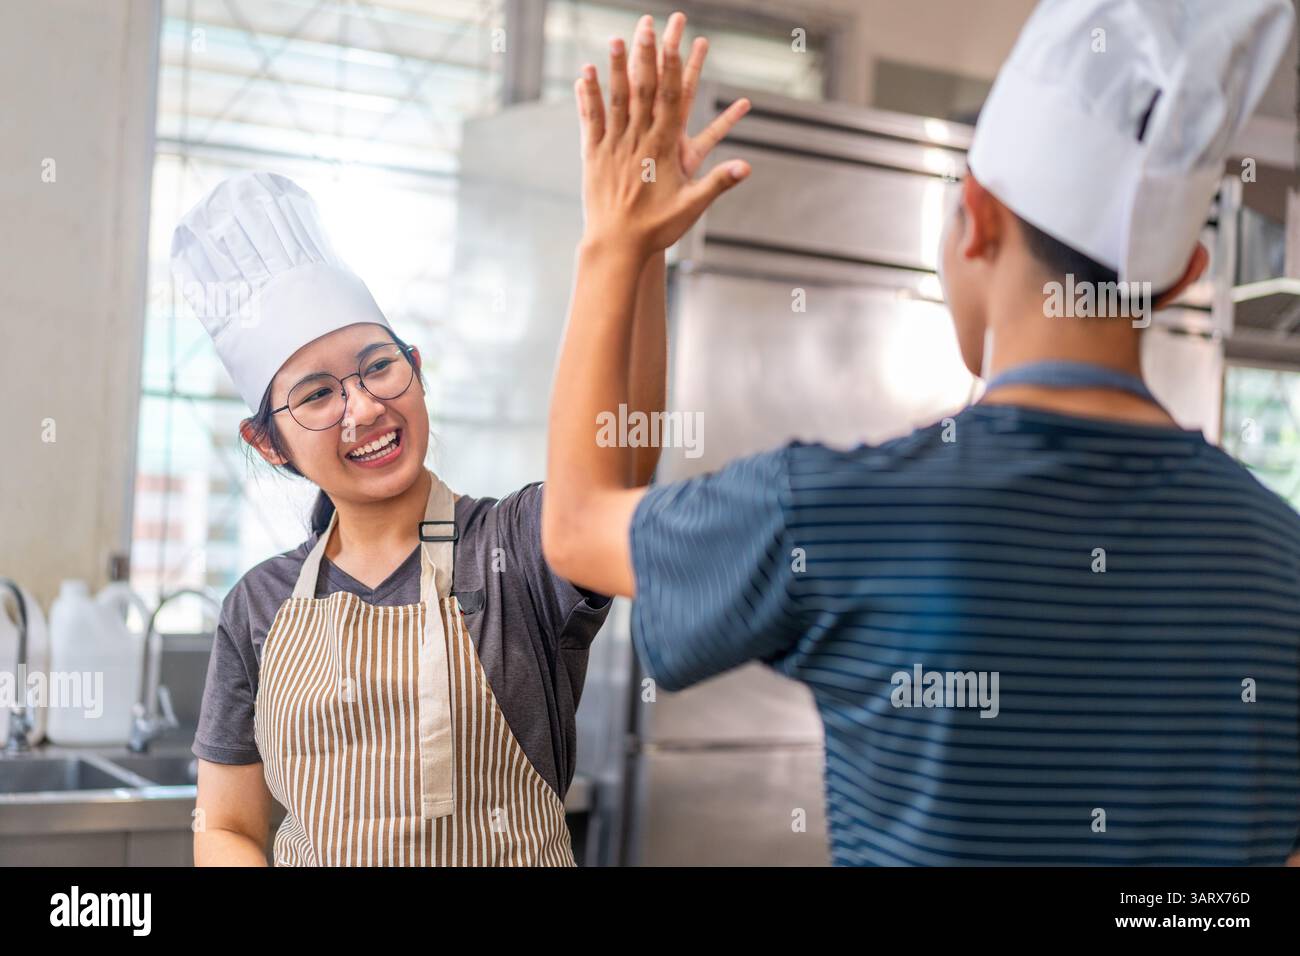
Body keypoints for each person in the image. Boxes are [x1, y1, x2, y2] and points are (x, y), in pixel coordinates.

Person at [541, 4, 1300, 864]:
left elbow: (576, 527)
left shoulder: (836, 513)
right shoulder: (1281, 555)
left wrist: (618, 244)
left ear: (976, 217)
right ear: (1184, 277)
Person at [173, 171, 643, 866]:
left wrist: (631, 250)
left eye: (378, 368)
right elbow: (225, 827)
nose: (363, 408)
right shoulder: (257, 607)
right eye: (318, 394)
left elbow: (623, 466)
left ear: (415, 370)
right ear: (268, 443)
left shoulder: (516, 547)